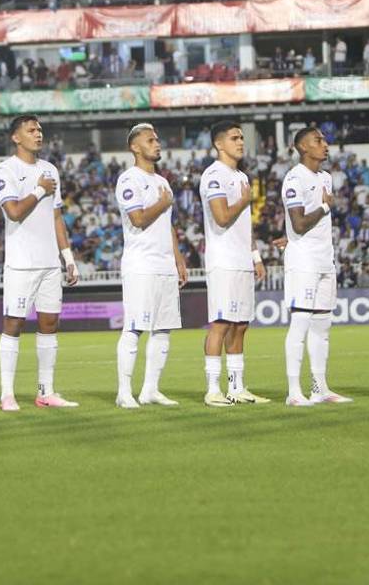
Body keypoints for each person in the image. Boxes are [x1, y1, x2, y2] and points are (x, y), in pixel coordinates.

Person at [0, 115, 80, 411]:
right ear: (16, 138)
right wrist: (40, 189)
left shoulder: (50, 169)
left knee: (49, 324)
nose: (38, 134)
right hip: (21, 263)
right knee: (13, 324)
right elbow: (14, 211)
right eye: (31, 130)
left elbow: (56, 217)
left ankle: (46, 391)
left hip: (49, 264)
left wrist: (67, 257)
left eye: (40, 129)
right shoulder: (5, 170)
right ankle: (7, 394)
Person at [113, 123, 188, 408]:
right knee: (133, 328)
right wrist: (162, 202)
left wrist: (178, 258)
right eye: (150, 140)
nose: (157, 143)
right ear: (135, 147)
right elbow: (139, 219)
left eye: (157, 139)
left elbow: (166, 225)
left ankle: (150, 390)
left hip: (164, 264)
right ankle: (124, 393)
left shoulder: (162, 182)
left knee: (163, 329)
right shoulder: (129, 179)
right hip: (140, 265)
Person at [199, 121, 268, 407]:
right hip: (223, 261)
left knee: (240, 326)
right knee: (221, 324)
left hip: (241, 259)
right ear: (219, 144)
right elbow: (222, 217)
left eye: (241, 137)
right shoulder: (214, 175)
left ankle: (237, 388)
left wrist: (255, 256)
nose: (241, 142)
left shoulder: (240, 176)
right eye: (234, 138)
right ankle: (212, 389)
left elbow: (243, 226)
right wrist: (244, 199)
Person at [280, 127, 349, 407]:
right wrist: (323, 207)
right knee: (300, 324)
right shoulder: (294, 178)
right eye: (318, 140)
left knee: (323, 326)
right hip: (303, 261)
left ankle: (319, 388)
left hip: (324, 259)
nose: (325, 144)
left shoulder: (325, 178)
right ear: (303, 147)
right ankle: (294, 392)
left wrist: (323, 207)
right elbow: (297, 224)